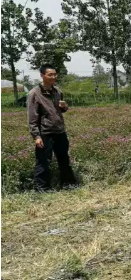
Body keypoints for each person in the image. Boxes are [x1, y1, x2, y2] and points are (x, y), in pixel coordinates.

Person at [27, 64, 78, 192]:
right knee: (43, 162)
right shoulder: (34, 93)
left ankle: (68, 184)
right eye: (50, 74)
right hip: (45, 133)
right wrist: (36, 136)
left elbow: (61, 110)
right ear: (42, 75)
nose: (53, 77)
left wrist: (64, 107)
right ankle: (42, 188)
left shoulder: (57, 91)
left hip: (60, 131)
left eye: (55, 74)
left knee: (64, 159)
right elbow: (32, 117)